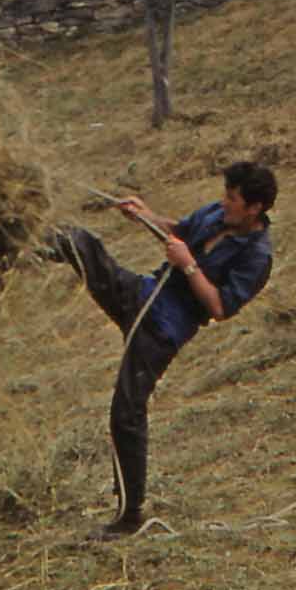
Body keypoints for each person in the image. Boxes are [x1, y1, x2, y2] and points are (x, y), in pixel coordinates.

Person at [45, 161, 277, 540]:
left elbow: (220, 307)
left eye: (232, 199)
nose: (224, 202)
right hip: (142, 293)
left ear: (255, 208)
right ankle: (5, 254)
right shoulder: (217, 215)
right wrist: (144, 215)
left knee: (126, 411)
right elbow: (178, 233)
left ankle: (129, 515)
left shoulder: (256, 258)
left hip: (162, 329)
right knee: (79, 241)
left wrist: (188, 267)